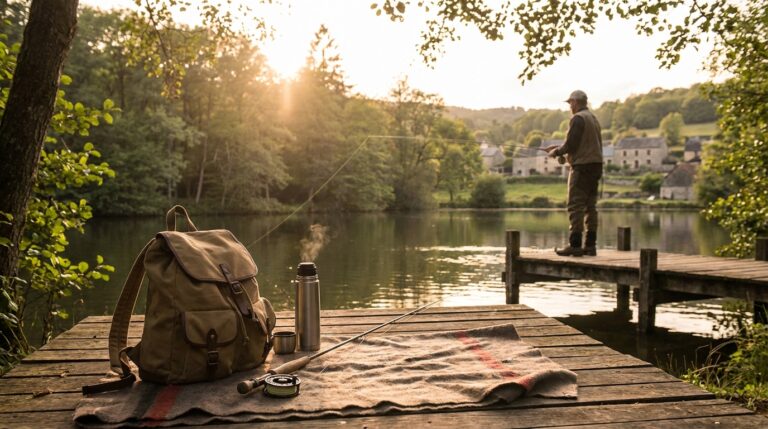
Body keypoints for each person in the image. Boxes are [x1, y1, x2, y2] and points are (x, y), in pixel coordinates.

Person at [543, 90, 603, 257]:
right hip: (596, 166)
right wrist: (558, 148)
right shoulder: (593, 118)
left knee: (575, 205)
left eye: (570, 103)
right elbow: (583, 142)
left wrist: (556, 152)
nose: (570, 106)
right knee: (591, 206)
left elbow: (571, 145)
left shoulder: (578, 118)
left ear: (576, 102)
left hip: (582, 167)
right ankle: (590, 245)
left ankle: (575, 245)